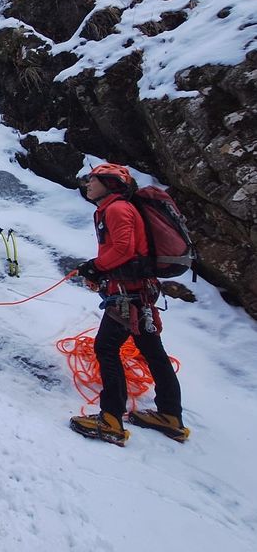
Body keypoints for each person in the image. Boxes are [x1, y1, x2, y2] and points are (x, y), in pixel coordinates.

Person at [69, 163, 189, 446]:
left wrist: (95, 267)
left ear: (109, 184)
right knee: (153, 351)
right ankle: (170, 415)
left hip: (128, 294)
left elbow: (123, 248)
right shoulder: (116, 207)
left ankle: (111, 420)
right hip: (137, 292)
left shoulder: (116, 209)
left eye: (92, 179)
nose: (87, 184)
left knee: (106, 348)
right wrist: (100, 271)